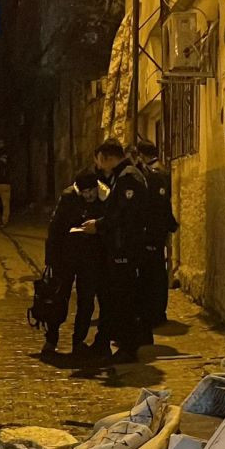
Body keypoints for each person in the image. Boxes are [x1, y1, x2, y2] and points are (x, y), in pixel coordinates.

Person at [81, 139, 151, 363]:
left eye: (99, 160)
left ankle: (128, 347)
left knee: (124, 297)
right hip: (122, 246)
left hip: (125, 248)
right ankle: (114, 342)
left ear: (106, 157)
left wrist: (99, 225)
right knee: (117, 296)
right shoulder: (123, 176)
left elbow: (124, 215)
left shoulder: (127, 177)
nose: (98, 166)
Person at [42, 170, 107, 355]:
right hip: (66, 257)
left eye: (91, 191)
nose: (89, 195)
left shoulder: (104, 197)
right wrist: (51, 259)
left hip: (91, 257)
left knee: (86, 301)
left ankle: (78, 341)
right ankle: (51, 339)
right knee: (59, 297)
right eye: (85, 192)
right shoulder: (68, 197)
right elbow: (55, 227)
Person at [135, 140, 179, 327]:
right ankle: (158, 311)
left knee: (152, 273)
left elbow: (153, 206)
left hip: (151, 231)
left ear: (141, 155)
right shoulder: (162, 171)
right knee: (158, 271)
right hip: (159, 230)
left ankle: (154, 312)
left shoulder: (151, 174)